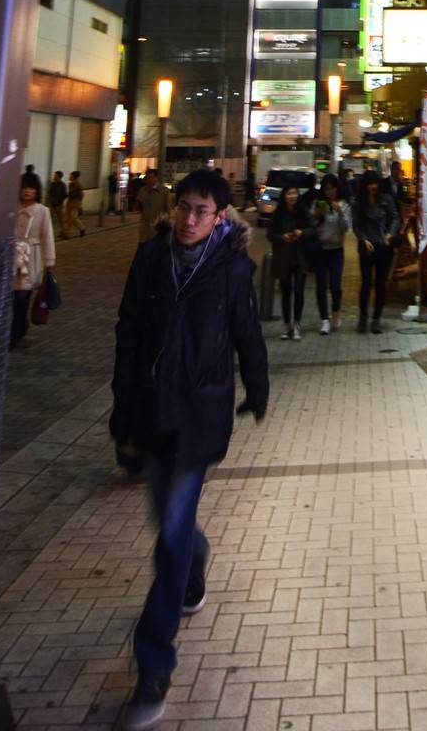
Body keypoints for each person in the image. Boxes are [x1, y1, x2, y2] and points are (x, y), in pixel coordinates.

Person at [111, 169, 268, 729]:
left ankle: (154, 661)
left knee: (170, 535)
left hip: (199, 416)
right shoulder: (151, 259)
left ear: (220, 218)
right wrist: (121, 408)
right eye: (184, 207)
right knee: (170, 525)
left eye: (201, 210)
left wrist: (258, 384)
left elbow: (246, 331)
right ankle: (196, 557)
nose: (188, 218)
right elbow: (128, 332)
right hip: (154, 412)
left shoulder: (230, 269)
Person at [11, 172, 56, 347]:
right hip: (12, 256)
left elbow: (48, 237)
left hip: (32, 257)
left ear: (37, 191)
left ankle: (18, 329)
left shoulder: (42, 211)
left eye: (31, 188)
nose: (27, 191)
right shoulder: (11, 209)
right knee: (11, 297)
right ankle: (16, 327)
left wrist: (50, 261)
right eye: (24, 188)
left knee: (23, 296)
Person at [352, 172, 400, 333]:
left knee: (381, 284)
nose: (373, 187)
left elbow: (395, 217)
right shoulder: (359, 203)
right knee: (366, 283)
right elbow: (356, 225)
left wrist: (390, 233)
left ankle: (376, 319)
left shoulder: (386, 199)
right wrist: (364, 239)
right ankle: (363, 317)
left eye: (375, 184)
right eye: (369, 184)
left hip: (383, 247)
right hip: (367, 248)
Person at [266, 184, 315, 340]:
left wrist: (302, 233)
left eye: (294, 193)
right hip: (284, 257)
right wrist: (282, 238)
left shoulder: (303, 212)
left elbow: (313, 230)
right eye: (289, 193)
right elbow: (270, 234)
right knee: (285, 291)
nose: (292, 196)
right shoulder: (278, 214)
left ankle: (297, 324)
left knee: (299, 291)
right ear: (284, 196)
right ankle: (287, 325)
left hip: (300, 257)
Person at [311, 173, 350, 333]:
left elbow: (347, 228)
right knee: (321, 285)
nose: (330, 191)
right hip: (320, 250)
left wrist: (340, 212)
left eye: (332, 188)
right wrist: (316, 215)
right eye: (326, 189)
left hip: (336, 251)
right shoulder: (318, 204)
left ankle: (336, 313)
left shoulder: (344, 205)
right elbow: (310, 224)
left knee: (335, 286)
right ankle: (324, 319)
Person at [138, 168, 170, 242]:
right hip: (145, 224)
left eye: (152, 177)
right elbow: (140, 206)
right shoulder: (142, 190)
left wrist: (165, 221)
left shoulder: (164, 190)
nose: (149, 179)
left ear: (156, 178)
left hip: (158, 224)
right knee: (144, 247)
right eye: (148, 177)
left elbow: (167, 209)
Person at [61, 169, 86, 238]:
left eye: (70, 175)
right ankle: (65, 233)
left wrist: (79, 204)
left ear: (74, 176)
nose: (69, 177)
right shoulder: (71, 184)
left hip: (75, 203)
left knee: (73, 218)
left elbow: (81, 194)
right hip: (70, 203)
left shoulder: (77, 184)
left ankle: (82, 228)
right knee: (67, 218)